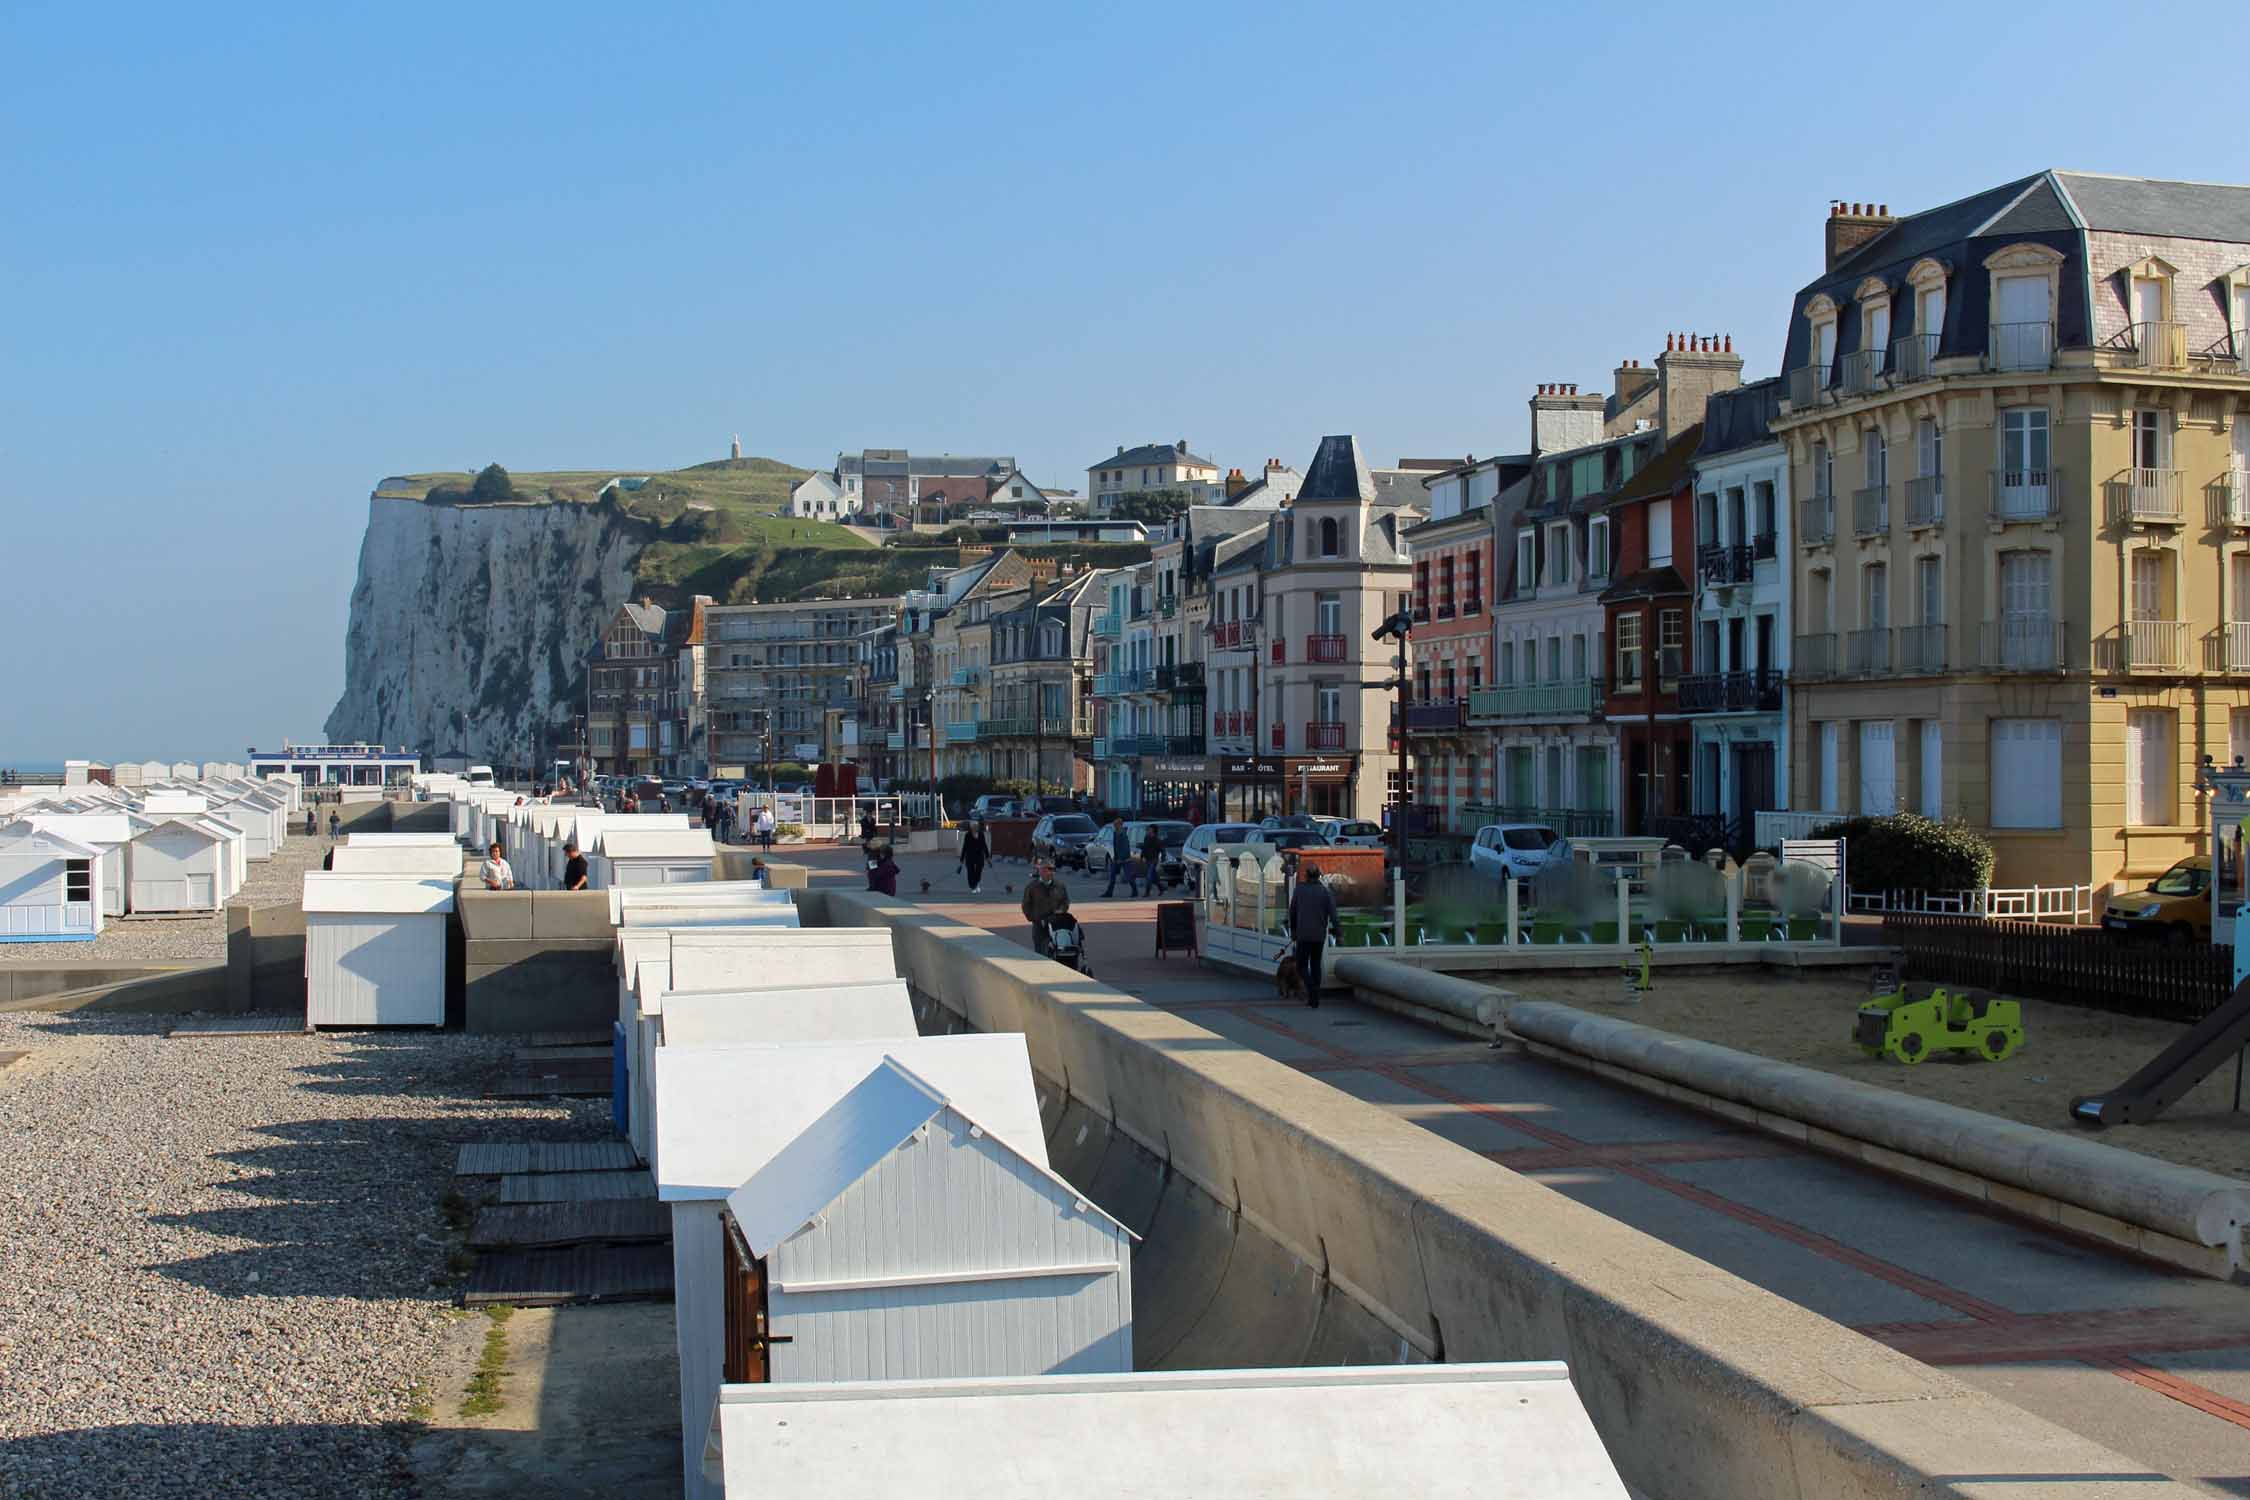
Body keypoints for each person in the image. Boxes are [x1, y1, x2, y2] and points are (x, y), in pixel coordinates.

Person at [1287, 862, 1341, 1009]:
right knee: (1316, 964)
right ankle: (1314, 997)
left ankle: (1312, 991)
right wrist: (1339, 933)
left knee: (1301, 965)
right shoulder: (1326, 892)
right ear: (1318, 876)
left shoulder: (1299, 890)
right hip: (1319, 935)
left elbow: (1292, 911)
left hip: (1303, 935)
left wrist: (1293, 930)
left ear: (1306, 876)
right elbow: (1334, 915)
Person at [1021, 859, 1070, 956]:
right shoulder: (1032, 887)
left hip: (1056, 925)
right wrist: (1034, 918)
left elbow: (1065, 902)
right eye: (1048, 869)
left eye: (1053, 869)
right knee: (1040, 952)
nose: (1051, 872)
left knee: (1058, 951)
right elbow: (1026, 905)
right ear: (1041, 871)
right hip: (1040, 925)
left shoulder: (1059, 886)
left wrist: (1060, 912)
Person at [1099, 816, 1132, 898]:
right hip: (1117, 858)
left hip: (1125, 858)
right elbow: (1115, 846)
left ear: (1120, 825)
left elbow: (1125, 848)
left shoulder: (1123, 834)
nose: (1115, 826)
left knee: (1128, 876)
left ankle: (1135, 890)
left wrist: (1121, 858)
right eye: (1114, 825)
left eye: (1116, 825)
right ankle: (1109, 892)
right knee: (1112, 875)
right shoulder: (1115, 833)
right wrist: (1115, 857)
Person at [959, 819, 989, 895]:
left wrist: (987, 856)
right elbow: (964, 847)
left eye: (976, 826)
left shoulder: (981, 834)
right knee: (970, 872)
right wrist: (962, 859)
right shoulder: (968, 835)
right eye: (973, 826)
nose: (975, 827)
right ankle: (973, 886)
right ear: (971, 827)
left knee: (978, 872)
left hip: (979, 856)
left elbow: (984, 845)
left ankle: (976, 884)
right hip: (970, 856)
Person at [1138, 823, 1166, 895]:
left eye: (1150, 829)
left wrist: (1163, 858)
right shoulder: (1146, 838)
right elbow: (1144, 848)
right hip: (1147, 859)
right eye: (1148, 829)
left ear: (1153, 830)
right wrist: (1141, 857)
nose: (1148, 830)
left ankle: (1147, 892)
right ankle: (1161, 888)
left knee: (1149, 876)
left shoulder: (1157, 840)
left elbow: (1163, 850)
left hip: (1154, 860)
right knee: (1154, 876)